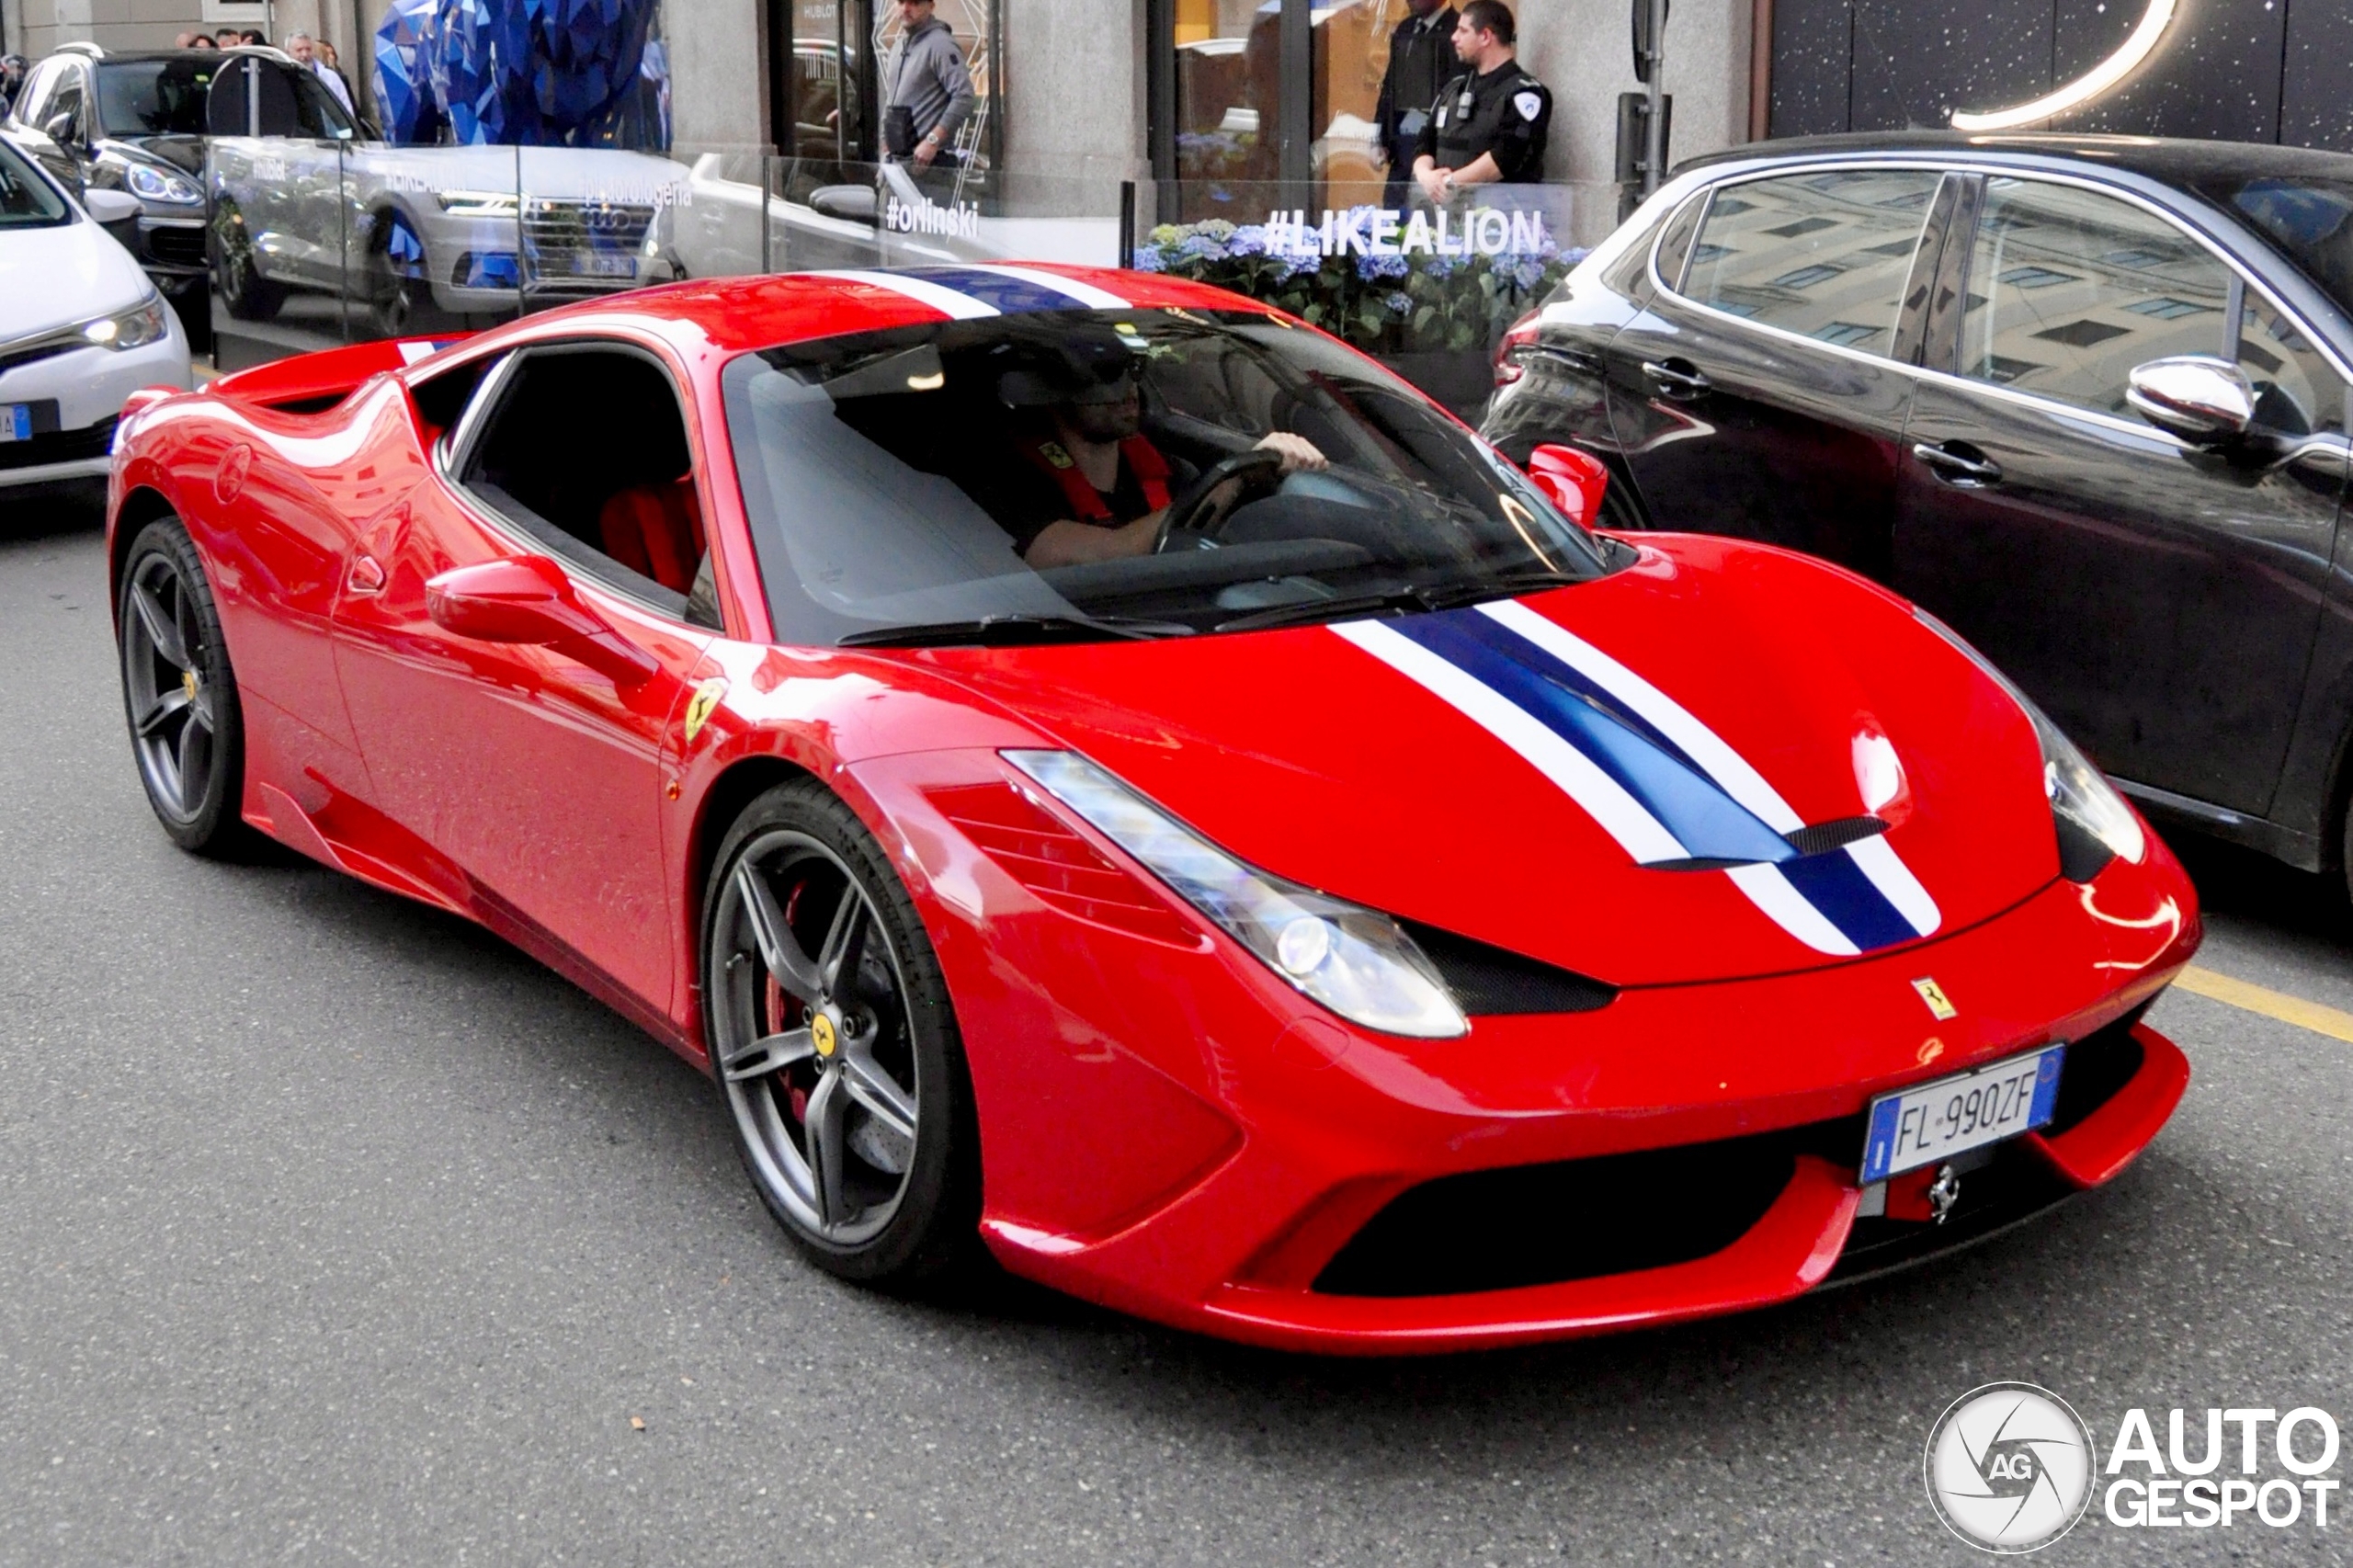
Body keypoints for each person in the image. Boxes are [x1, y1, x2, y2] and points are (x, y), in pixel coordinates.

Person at [992, 332, 1327, 568]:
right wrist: (1232, 481)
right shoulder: (1010, 482)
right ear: (1052, 392)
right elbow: (1090, 555)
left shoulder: (1171, 471)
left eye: (1131, 374)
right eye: (1104, 378)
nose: (1129, 393)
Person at [1412, 0, 1552, 206]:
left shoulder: (1526, 93)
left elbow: (1506, 157)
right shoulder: (1453, 89)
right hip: (1446, 216)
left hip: (1498, 222)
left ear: (1485, 36)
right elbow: (1425, 141)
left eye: (1462, 30)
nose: (1454, 37)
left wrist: (1448, 184)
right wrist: (1425, 176)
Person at [1373, 0, 1458, 210]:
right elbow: (1391, 83)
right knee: (1394, 215)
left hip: (1436, 148)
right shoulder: (1406, 28)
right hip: (1401, 144)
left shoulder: (1457, 31)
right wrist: (1380, 135)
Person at [881, 0, 972, 174]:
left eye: (914, 3)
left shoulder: (941, 44)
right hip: (898, 166)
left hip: (931, 167)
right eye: (900, 2)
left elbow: (964, 96)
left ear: (931, 6)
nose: (906, 9)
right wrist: (886, 141)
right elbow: (892, 99)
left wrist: (933, 141)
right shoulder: (898, 46)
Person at [285, 32, 355, 113]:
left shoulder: (331, 77)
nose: (305, 54)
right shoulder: (281, 78)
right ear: (288, 52)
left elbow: (346, 110)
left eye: (308, 49)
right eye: (299, 50)